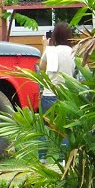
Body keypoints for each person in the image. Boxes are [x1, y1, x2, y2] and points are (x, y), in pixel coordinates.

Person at [37, 21, 75, 162]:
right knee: (65, 128)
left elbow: (41, 69)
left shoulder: (50, 51)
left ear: (54, 35)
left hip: (48, 96)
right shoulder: (72, 51)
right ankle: (63, 158)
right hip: (66, 96)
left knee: (45, 128)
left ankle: (42, 158)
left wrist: (45, 48)